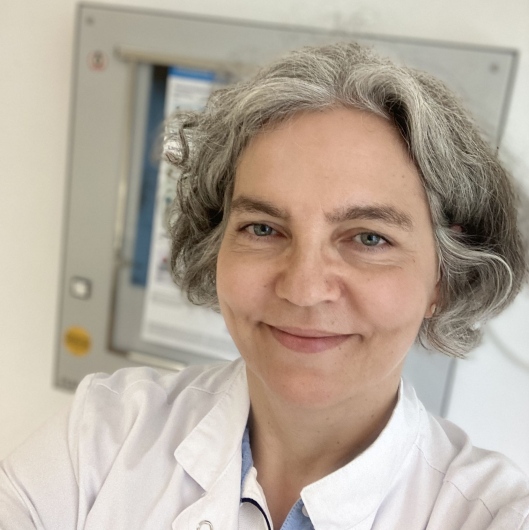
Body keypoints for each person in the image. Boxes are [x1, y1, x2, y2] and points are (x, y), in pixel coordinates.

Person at [1, 42, 528, 530]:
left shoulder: (491, 515)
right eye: (262, 229)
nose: (303, 289)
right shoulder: (103, 436)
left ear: (444, 277)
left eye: (369, 238)